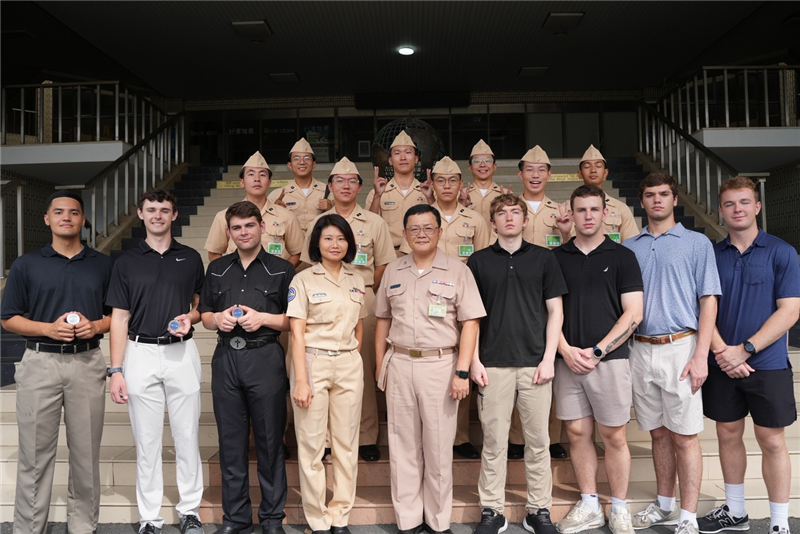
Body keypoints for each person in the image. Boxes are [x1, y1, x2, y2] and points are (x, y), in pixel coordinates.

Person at [1, 190, 113, 534]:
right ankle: (28, 528)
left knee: (85, 455)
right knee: (34, 455)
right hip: (39, 363)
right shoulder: (26, 264)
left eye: (74, 212)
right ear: (47, 219)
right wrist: (47, 328)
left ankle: (82, 526)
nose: (67, 217)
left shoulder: (104, 264)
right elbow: (8, 318)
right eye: (59, 212)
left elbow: (117, 316)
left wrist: (97, 325)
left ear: (83, 220)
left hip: (87, 361)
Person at [374, 204, 485, 534]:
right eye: (414, 229)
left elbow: (471, 322)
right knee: (403, 445)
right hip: (400, 363)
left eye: (428, 228)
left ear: (439, 231)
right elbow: (382, 319)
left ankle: (438, 521)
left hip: (440, 365)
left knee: (438, 449)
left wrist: (462, 371)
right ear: (405, 234)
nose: (421, 234)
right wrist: (381, 365)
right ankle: (408, 520)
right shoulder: (394, 270)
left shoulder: (457, 270)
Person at [697, 177, 799, 534]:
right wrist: (724, 351)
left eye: (744, 202)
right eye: (729, 204)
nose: (737, 209)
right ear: (721, 211)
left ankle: (778, 522)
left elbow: (789, 311)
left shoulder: (781, 251)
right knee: (727, 433)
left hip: (766, 364)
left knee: (771, 439)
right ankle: (736, 511)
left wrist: (746, 350)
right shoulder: (710, 254)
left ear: (757, 207)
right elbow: (702, 307)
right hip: (722, 360)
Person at [623, 173, 721, 534]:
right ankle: (664, 505)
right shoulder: (629, 247)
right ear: (642, 201)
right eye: (650, 195)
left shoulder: (697, 244)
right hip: (641, 348)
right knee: (658, 434)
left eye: (664, 194)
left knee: (684, 436)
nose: (657, 200)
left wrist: (701, 355)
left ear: (674, 199)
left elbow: (708, 301)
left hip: (681, 347)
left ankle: (688, 515)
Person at [106, 188, 205, 534]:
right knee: (147, 441)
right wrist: (115, 369)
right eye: (152, 210)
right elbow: (119, 318)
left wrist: (189, 318)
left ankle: (190, 510)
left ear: (175, 215)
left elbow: (198, 305)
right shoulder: (126, 262)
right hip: (140, 352)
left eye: (165, 209)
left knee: (187, 436)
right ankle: (150, 517)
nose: (158, 215)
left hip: (181, 353)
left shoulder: (191, 257)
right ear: (141, 214)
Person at [468, 193, 567, 534]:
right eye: (501, 213)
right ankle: (492, 510)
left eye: (515, 213)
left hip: (535, 365)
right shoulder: (478, 262)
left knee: (538, 443)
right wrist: (474, 360)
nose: (509, 218)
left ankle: (539, 510)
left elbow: (556, 311)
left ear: (526, 221)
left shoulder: (544, 259)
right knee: (494, 442)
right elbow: (470, 318)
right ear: (492, 222)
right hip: (492, 365)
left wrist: (549, 359)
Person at [551, 185, 644, 534]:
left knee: (614, 435)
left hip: (609, 360)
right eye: (581, 210)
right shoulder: (557, 258)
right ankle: (589, 504)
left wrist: (598, 350)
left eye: (594, 209)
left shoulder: (622, 257)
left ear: (606, 213)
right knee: (576, 432)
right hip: (568, 360)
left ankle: (619, 507)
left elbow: (633, 314)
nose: (588, 216)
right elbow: (548, 313)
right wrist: (564, 350)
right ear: (571, 215)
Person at [199, 201, 295, 534]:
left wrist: (263, 318)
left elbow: (294, 320)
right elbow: (206, 316)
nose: (244, 232)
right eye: (237, 228)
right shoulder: (216, 269)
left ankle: (271, 519)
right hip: (226, 359)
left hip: (265, 358)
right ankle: (236, 518)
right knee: (231, 443)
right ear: (228, 232)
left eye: (249, 226)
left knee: (269, 443)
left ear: (262, 226)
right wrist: (217, 320)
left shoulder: (282, 269)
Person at [301, 157, 396, 462]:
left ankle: (366, 436)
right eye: (338, 181)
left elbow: (382, 264)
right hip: (321, 300)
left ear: (360, 187)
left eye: (351, 181)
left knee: (359, 367)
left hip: (360, 298)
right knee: (322, 370)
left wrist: (360, 286)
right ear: (329, 186)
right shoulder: (319, 222)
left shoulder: (375, 222)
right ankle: (327, 439)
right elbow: (307, 261)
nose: (345, 185)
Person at [398, 155, 490, 459]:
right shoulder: (421, 219)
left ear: (461, 184)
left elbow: (483, 262)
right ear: (431, 184)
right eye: (440, 180)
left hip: (463, 298)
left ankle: (460, 435)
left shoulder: (474, 219)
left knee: (460, 363)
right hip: (423, 303)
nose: (447, 185)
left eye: (452, 180)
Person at [288, 214, 368, 534]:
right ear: (316, 244)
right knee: (311, 446)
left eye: (341, 239)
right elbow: (296, 332)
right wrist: (302, 380)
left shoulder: (357, 279)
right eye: (328, 239)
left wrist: (350, 355)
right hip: (313, 363)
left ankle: (340, 515)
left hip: (348, 363)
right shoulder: (303, 280)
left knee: (346, 444)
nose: (335, 244)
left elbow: (359, 324)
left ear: (349, 243)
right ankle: (318, 519)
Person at [515, 144, 569, 459]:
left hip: (549, 293)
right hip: (514, 293)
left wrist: (563, 234)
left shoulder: (560, 211)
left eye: (541, 170)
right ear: (520, 174)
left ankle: (552, 436)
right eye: (529, 170)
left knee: (549, 364)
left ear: (549, 175)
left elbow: (570, 250)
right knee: (513, 363)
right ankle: (514, 438)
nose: (535, 175)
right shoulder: (506, 207)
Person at [205, 150, 304, 267]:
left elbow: (298, 253)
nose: (257, 179)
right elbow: (214, 253)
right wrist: (231, 274)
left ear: (269, 182)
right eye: (251, 174)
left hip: (273, 283)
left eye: (262, 174)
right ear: (242, 182)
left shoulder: (286, 216)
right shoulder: (224, 216)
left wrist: (280, 275)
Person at [366, 130, 433, 253]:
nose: (403, 157)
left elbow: (438, 221)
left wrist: (430, 197)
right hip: (390, 254)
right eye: (397, 153)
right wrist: (377, 196)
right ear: (390, 160)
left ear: (416, 159)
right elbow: (370, 225)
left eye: (408, 152)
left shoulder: (427, 191)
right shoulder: (377, 192)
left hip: (422, 253)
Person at [556, 145, 639, 244]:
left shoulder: (621, 209)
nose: (593, 170)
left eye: (598, 166)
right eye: (587, 166)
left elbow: (631, 246)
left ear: (605, 172)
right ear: (580, 174)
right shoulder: (565, 210)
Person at [268, 138, 332, 233]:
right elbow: (265, 223)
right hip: (291, 246)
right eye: (296, 158)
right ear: (289, 165)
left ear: (314, 164)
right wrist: (276, 210)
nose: (302, 162)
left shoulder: (328, 191)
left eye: (307, 158)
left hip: (318, 245)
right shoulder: (277, 195)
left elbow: (343, 217)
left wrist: (331, 208)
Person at [464, 139, 509, 225]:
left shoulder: (506, 195)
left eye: (487, 161)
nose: (482, 165)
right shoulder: (461, 196)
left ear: (494, 166)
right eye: (477, 161)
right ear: (470, 167)